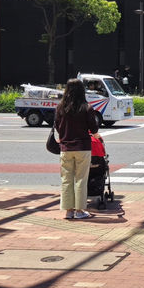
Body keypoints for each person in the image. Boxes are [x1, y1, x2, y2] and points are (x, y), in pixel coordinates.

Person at [54, 78, 100, 220]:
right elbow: (94, 128)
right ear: (82, 91)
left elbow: (56, 126)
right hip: (82, 148)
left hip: (65, 148)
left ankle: (68, 211)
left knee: (66, 179)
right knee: (81, 179)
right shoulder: (86, 108)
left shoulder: (60, 107)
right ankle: (79, 211)